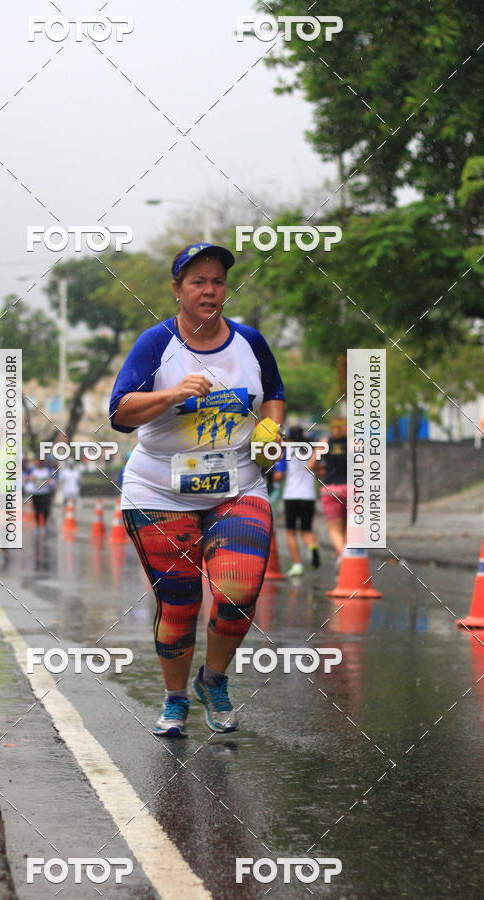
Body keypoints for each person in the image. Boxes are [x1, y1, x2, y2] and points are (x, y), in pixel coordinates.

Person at [110, 241, 285, 737]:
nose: (210, 291)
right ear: (177, 289)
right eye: (198, 282)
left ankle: (214, 679)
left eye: (218, 282)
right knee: (180, 601)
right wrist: (172, 393)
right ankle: (174, 698)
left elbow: (273, 391)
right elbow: (120, 413)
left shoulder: (249, 341)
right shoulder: (155, 343)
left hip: (237, 486)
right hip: (159, 492)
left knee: (239, 589)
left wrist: (272, 427)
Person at [281, 425, 320, 576]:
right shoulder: (310, 450)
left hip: (291, 495)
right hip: (308, 495)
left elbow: (279, 474)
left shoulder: (286, 450)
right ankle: (312, 547)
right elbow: (319, 470)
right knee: (306, 530)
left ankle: (297, 565)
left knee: (291, 532)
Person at [318, 418, 348, 560]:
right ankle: (349, 558)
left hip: (329, 489)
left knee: (334, 530)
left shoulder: (325, 443)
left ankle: (343, 557)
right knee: (349, 527)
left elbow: (311, 464)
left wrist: (322, 469)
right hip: (351, 488)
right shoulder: (354, 443)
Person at [27, 460, 56, 529]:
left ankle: (45, 524)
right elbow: (26, 478)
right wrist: (30, 479)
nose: (39, 463)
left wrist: (50, 482)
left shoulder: (48, 470)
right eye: (38, 461)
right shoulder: (32, 470)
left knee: (46, 510)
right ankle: (38, 525)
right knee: (37, 510)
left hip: (45, 493)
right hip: (36, 493)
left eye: (41, 461)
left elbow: (53, 481)